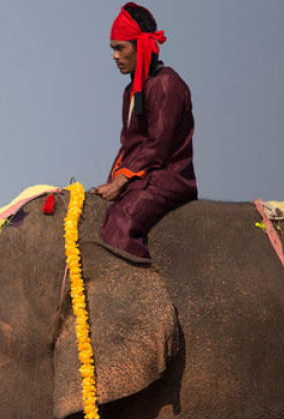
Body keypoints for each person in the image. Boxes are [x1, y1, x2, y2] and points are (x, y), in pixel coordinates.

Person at [92, 2, 197, 259]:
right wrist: (111, 182)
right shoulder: (131, 90)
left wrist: (120, 182)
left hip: (166, 179)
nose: (114, 56)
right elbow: (129, 146)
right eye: (112, 49)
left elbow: (157, 148)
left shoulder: (165, 85)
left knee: (119, 224)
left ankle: (145, 296)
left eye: (120, 48)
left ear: (141, 45)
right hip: (140, 178)